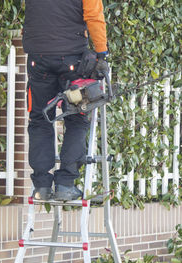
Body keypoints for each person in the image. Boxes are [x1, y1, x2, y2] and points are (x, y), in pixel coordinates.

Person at [22, 0, 109, 201]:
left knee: (39, 120)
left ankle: (42, 185)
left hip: (38, 58)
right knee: (77, 118)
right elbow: (94, 16)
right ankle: (65, 183)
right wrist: (102, 52)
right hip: (72, 58)